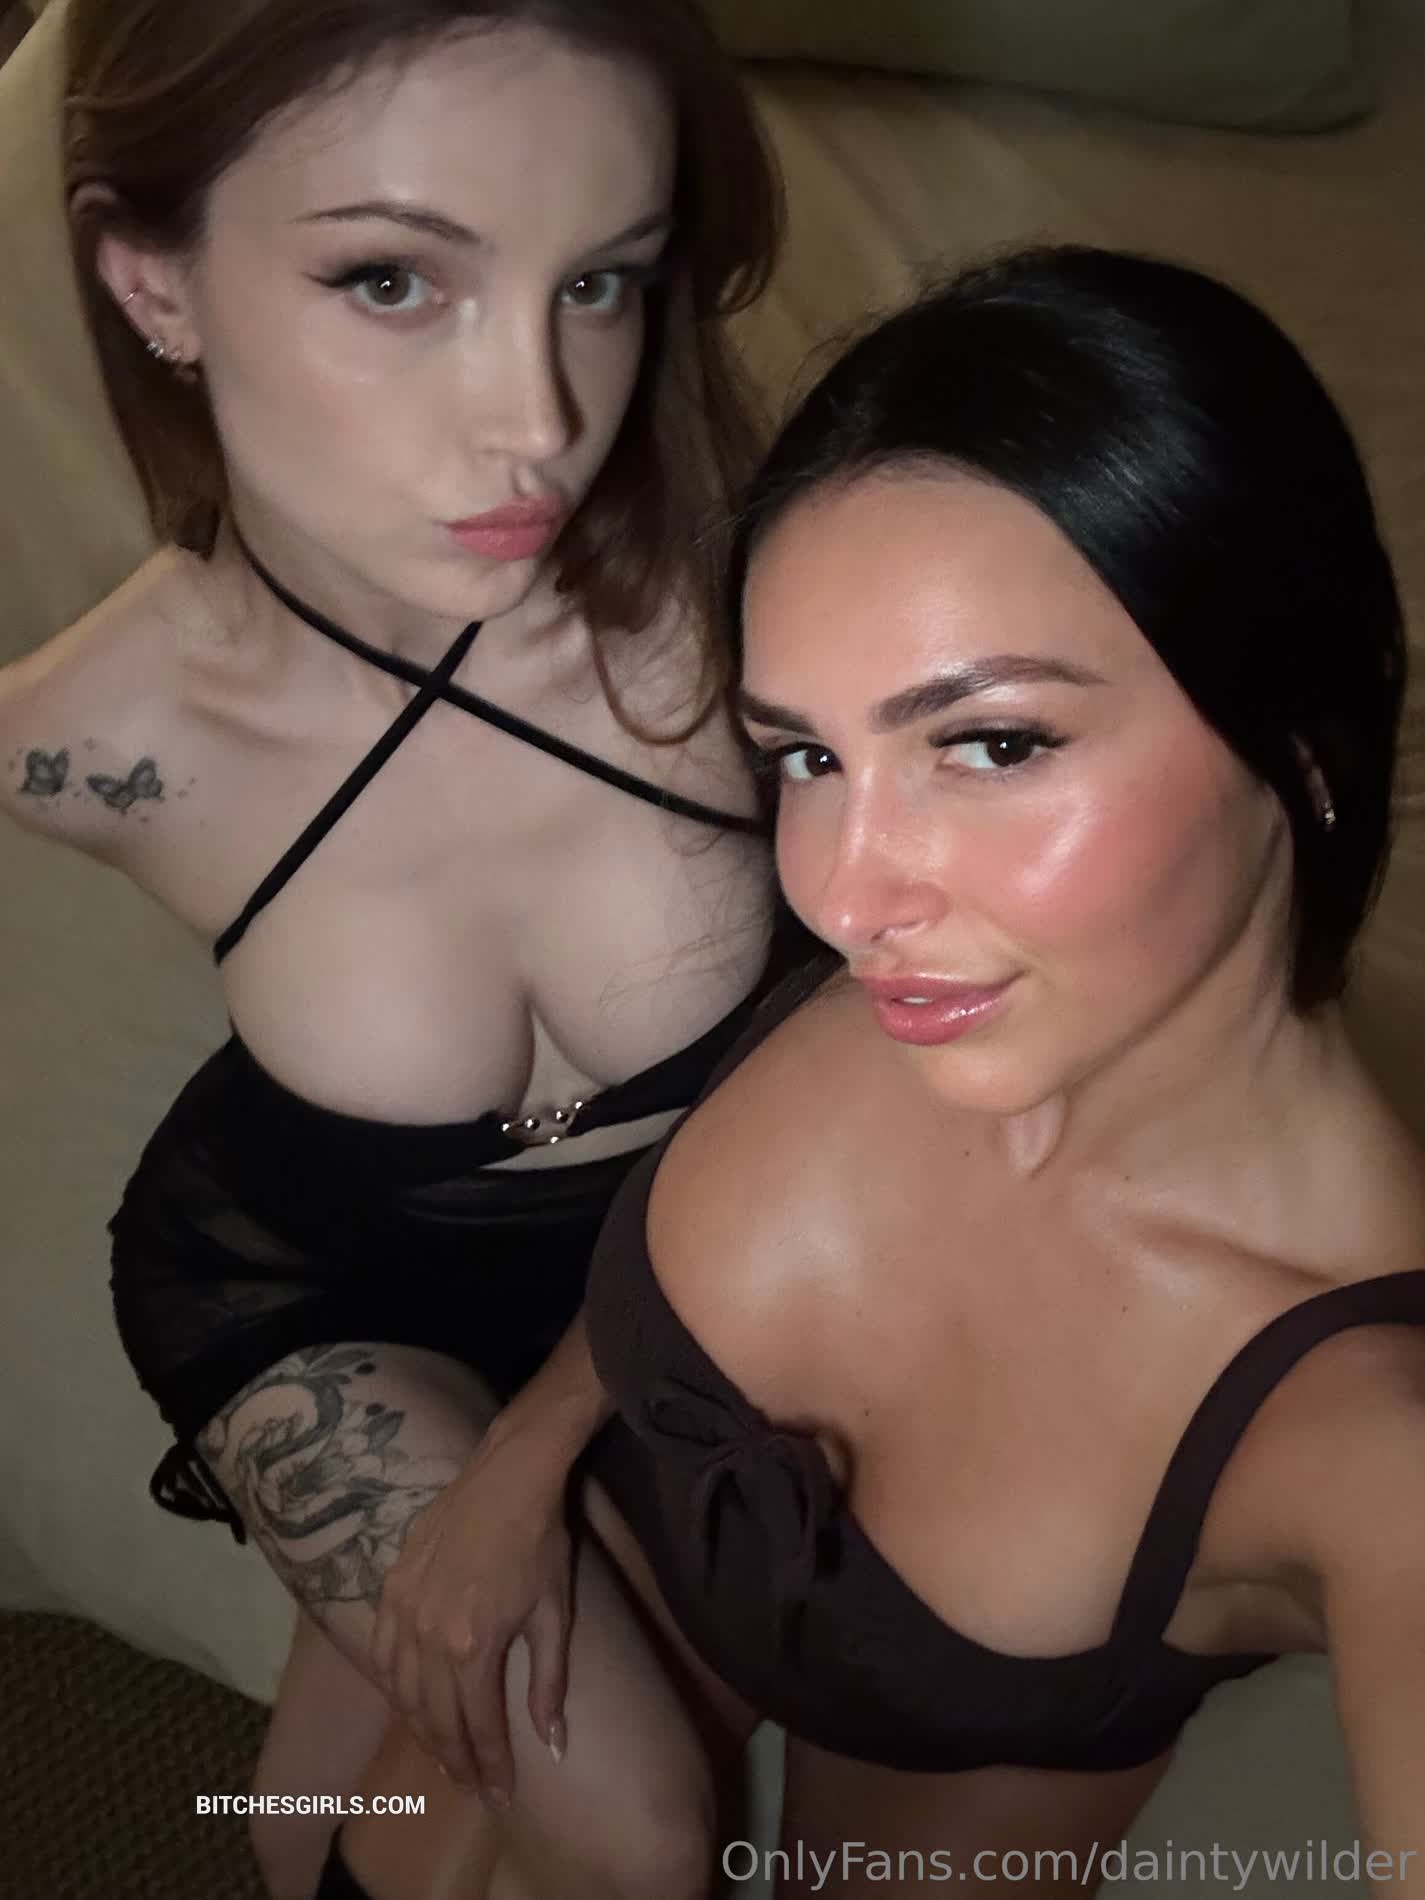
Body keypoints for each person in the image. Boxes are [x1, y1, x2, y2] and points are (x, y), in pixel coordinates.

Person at [382, 246, 1425, 1896]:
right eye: (806, 752)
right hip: (623, 1550)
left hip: (945, 1774)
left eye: (990, 743)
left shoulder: (1366, 1432)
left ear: (1299, 746)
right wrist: (521, 1455)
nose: (842, 895)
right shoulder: (939, 972)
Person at [0, 2, 788, 1896]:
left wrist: (530, 1460)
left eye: (597, 283)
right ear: (153, 284)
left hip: (694, 1261)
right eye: (390, 281)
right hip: (316, 1280)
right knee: (629, 1827)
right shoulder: (93, 737)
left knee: (382, 1805)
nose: (539, 421)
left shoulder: (747, 608)